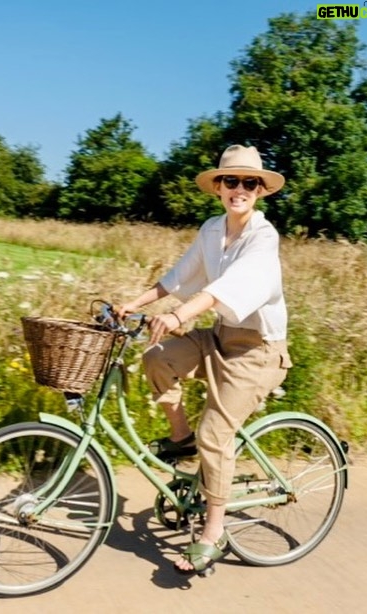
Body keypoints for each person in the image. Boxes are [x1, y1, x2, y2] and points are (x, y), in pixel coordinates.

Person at [116, 144, 292, 575]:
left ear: (260, 191)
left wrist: (180, 314)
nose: (239, 189)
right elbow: (178, 278)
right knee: (157, 356)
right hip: (218, 336)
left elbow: (228, 288)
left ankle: (212, 533)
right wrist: (130, 305)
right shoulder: (212, 229)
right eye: (231, 180)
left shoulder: (263, 238)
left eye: (250, 182)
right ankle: (181, 438)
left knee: (217, 432)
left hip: (257, 350)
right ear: (218, 187)